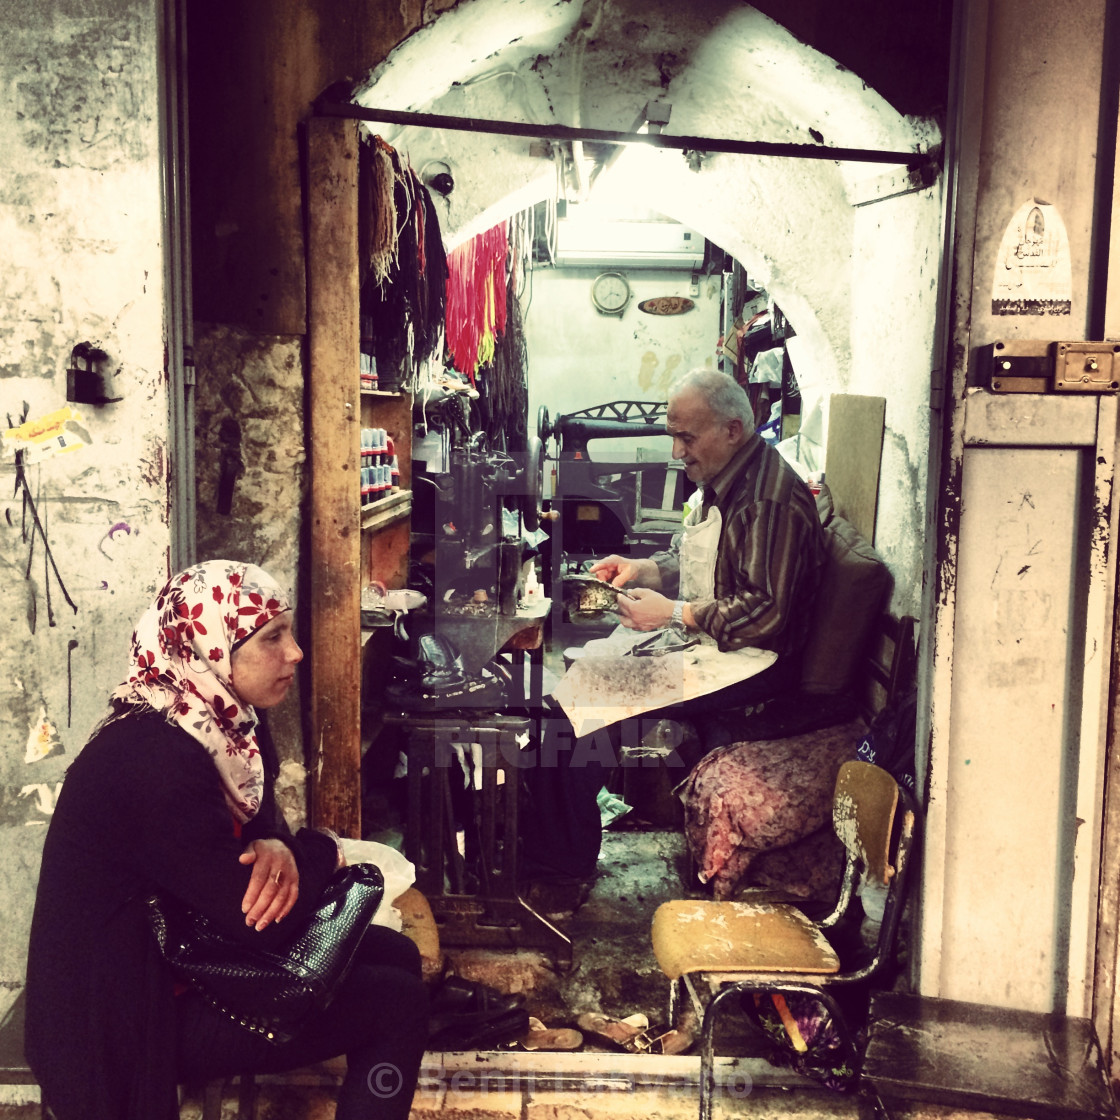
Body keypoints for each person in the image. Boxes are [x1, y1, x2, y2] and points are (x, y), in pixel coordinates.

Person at [24, 560, 428, 1120]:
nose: (295, 653)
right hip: (122, 1020)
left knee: (397, 953)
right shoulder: (155, 759)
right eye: (272, 638)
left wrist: (280, 846)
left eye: (288, 631)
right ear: (207, 650)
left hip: (185, 956)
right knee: (396, 1002)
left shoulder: (220, 721)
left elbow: (262, 827)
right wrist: (324, 851)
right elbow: (263, 922)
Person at [590, 367, 825, 724]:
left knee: (604, 690)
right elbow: (706, 560)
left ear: (732, 430)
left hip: (761, 665)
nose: (676, 451)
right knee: (595, 669)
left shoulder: (765, 501)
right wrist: (644, 570)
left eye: (687, 438)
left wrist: (673, 613)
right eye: (674, 437)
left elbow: (764, 610)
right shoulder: (723, 480)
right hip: (722, 646)